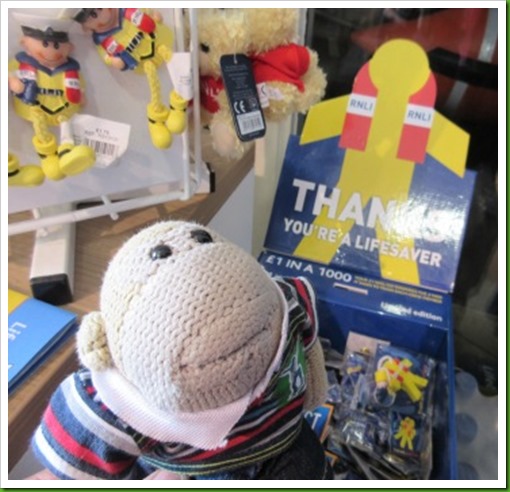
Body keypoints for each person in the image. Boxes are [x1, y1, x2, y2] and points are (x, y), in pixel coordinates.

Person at [61, 8, 188, 149]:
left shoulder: (128, 11)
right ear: (85, 27)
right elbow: (106, 56)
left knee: (178, 69)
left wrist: (154, 15)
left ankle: (179, 105)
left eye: (98, 10)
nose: (99, 18)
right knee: (154, 88)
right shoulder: (103, 41)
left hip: (159, 43)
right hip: (144, 62)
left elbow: (148, 12)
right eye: (90, 18)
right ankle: (156, 118)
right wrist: (113, 61)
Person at [9, 12, 95, 182]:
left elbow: (79, 86)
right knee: (40, 128)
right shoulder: (21, 64)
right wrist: (13, 81)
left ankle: (67, 151)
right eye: (45, 44)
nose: (52, 52)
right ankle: (49, 158)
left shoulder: (70, 70)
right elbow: (9, 74)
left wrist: (81, 96)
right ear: (24, 43)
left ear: (69, 48)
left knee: (65, 124)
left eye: (57, 45)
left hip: (63, 109)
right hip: (36, 109)